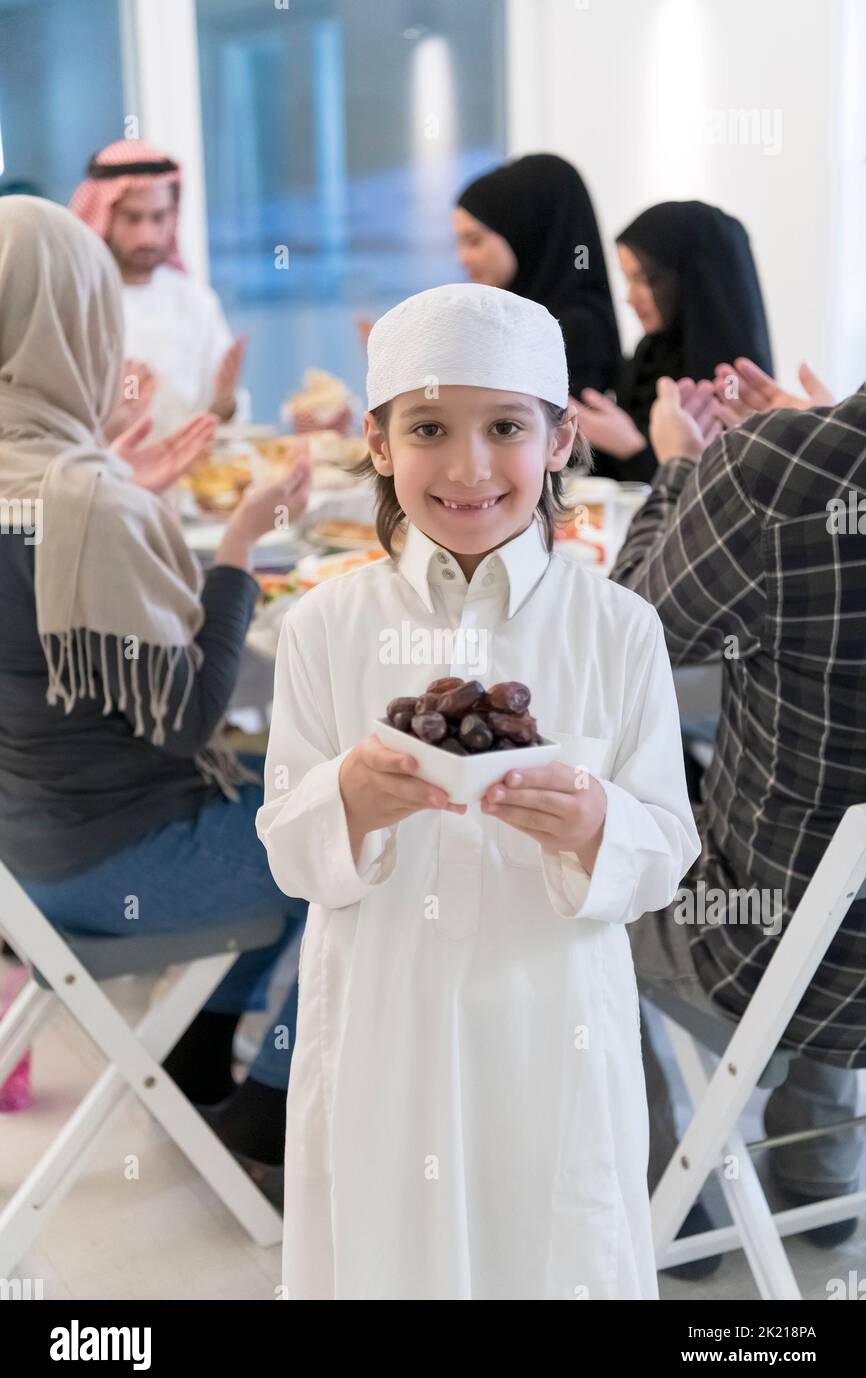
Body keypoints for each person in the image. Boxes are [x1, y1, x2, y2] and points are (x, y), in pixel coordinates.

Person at [256, 281, 701, 1300]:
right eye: (428, 427)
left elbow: (666, 844)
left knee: (548, 1241)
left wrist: (596, 827)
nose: (467, 466)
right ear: (377, 444)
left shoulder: (616, 628)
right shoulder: (325, 626)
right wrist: (350, 804)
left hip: (550, 1018)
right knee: (384, 1250)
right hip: (381, 1013)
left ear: (558, 442)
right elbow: (285, 839)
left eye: (504, 426)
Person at [0, 196, 311, 1202]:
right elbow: (188, 718)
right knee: (366, 844)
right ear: (80, 323)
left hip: (25, 860)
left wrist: (122, 497)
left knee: (297, 788)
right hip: (112, 866)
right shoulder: (80, 501)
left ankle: (198, 1043)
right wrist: (234, 554)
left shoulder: (60, 489)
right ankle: (267, 1106)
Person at [610, 369, 866, 1278]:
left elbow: (625, 644)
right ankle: (818, 1166)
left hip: (760, 947)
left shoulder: (773, 470)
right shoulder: (791, 465)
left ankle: (655, 1194)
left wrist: (684, 470)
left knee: (570, 880)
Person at [580, 200, 773, 484]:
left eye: (646, 280)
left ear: (694, 281)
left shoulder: (734, 384)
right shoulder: (648, 354)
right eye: (627, 280)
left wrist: (633, 448)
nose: (630, 298)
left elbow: (719, 494)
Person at [69, 140, 246, 442]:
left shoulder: (195, 301)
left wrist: (224, 406)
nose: (147, 236)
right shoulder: (75, 303)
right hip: (102, 483)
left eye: (159, 217)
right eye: (132, 218)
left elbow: (218, 419)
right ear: (103, 216)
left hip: (187, 481)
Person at [453, 153, 621, 401]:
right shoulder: (515, 320)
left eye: (474, 241)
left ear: (524, 235)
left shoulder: (574, 328)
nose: (462, 258)